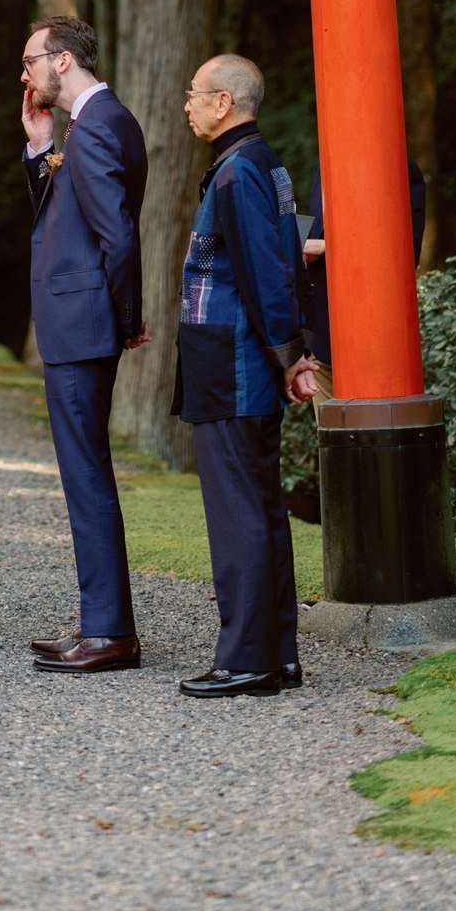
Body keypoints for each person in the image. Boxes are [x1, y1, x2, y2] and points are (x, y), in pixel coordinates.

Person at [174, 54, 318, 700]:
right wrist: (294, 353)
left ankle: (244, 659)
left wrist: (292, 356)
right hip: (244, 366)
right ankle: (275, 653)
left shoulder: (237, 174)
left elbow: (265, 273)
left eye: (195, 94)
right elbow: (287, 261)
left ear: (224, 103)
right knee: (262, 510)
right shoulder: (265, 163)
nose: (187, 103)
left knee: (238, 516)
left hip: (232, 366)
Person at [21, 16, 150, 675]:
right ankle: (103, 621)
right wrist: (40, 149)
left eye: (31, 61)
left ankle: (109, 632)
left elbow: (117, 237)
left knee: (88, 476)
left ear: (63, 61)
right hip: (86, 320)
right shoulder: (92, 126)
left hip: (84, 325)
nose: (24, 75)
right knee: (87, 473)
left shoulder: (99, 125)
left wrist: (127, 319)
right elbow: (67, 215)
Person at [301, 155, 426, 408]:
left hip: (374, 336)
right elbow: (321, 231)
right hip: (324, 335)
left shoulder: (397, 165)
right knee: (329, 441)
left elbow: (402, 254)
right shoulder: (323, 163)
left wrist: (330, 247)